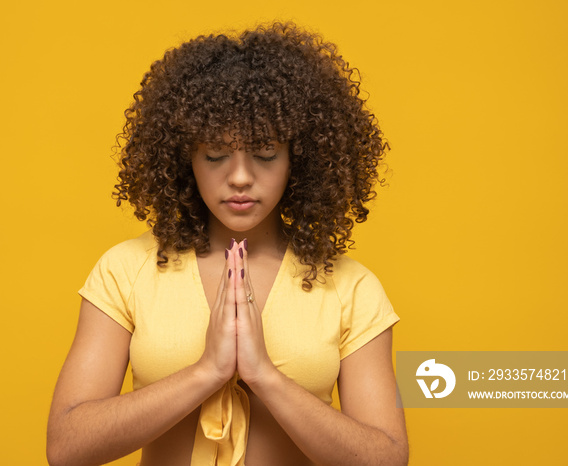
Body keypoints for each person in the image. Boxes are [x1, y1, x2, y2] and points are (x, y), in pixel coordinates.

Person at [47, 21, 408, 466]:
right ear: (184, 158)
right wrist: (207, 372)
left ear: (300, 157)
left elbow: (386, 458)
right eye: (215, 155)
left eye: (265, 153)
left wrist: (264, 376)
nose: (239, 177)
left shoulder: (353, 288)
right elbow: (67, 446)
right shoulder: (125, 270)